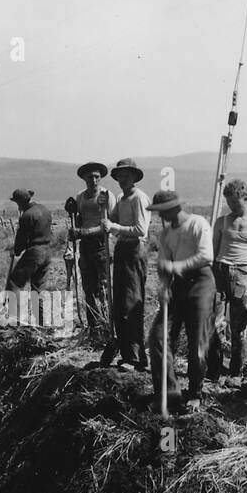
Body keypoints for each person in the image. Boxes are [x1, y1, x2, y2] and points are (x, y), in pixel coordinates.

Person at [147, 190, 215, 412]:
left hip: (201, 283)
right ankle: (169, 391)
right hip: (178, 286)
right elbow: (163, 265)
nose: (160, 216)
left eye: (162, 211)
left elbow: (206, 256)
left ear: (174, 208)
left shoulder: (198, 224)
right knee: (158, 335)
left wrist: (177, 267)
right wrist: (165, 285)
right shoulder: (166, 234)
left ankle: (195, 393)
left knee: (197, 341)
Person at [206, 178, 247, 380]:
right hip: (220, 273)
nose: (231, 206)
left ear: (245, 198)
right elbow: (212, 253)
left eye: (235, 202)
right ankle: (213, 371)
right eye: (228, 202)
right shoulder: (221, 222)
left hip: (242, 276)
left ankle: (235, 374)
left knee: (239, 329)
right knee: (214, 324)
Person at [102, 158, 151, 371]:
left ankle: (136, 357)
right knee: (121, 303)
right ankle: (127, 353)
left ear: (134, 176)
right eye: (120, 176)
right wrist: (104, 207)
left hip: (135, 250)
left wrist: (113, 227)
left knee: (132, 302)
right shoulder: (122, 198)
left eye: (126, 176)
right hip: (122, 249)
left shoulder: (139, 198)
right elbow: (112, 219)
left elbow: (141, 229)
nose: (122, 179)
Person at [68, 162, 117, 343]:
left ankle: (108, 328)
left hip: (102, 245)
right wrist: (73, 223)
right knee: (89, 288)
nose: (94, 180)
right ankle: (94, 328)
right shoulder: (81, 196)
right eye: (90, 177)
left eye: (97, 176)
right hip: (85, 247)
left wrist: (83, 232)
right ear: (84, 178)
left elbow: (109, 225)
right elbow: (79, 220)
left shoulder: (106, 196)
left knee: (104, 288)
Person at [5, 189, 53, 293]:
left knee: (14, 284)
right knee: (38, 288)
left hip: (35, 253)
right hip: (47, 251)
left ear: (22, 201)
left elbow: (21, 240)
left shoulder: (27, 216)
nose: (18, 207)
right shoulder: (45, 210)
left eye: (17, 203)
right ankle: (39, 310)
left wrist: (16, 250)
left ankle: (15, 309)